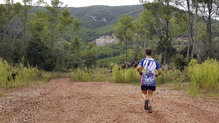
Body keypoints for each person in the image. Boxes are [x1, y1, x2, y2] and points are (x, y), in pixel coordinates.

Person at [136, 48, 162, 113]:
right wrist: (156, 75)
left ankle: (145, 99)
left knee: (143, 93)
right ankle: (150, 107)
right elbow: (160, 71)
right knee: (150, 94)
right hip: (152, 80)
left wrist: (140, 72)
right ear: (151, 53)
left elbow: (138, 67)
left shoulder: (143, 60)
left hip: (145, 79)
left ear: (145, 53)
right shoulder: (155, 62)